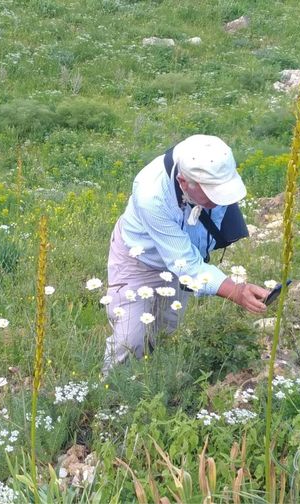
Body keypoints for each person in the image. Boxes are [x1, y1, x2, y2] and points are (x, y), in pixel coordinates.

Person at [103, 134, 269, 373]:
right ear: (183, 182)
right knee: (130, 340)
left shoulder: (211, 163)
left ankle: (151, 386)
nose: (220, 200)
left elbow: (189, 258)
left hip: (184, 261)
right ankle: (110, 397)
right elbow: (186, 265)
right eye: (212, 194)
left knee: (165, 332)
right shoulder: (152, 195)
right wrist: (237, 291)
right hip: (139, 259)